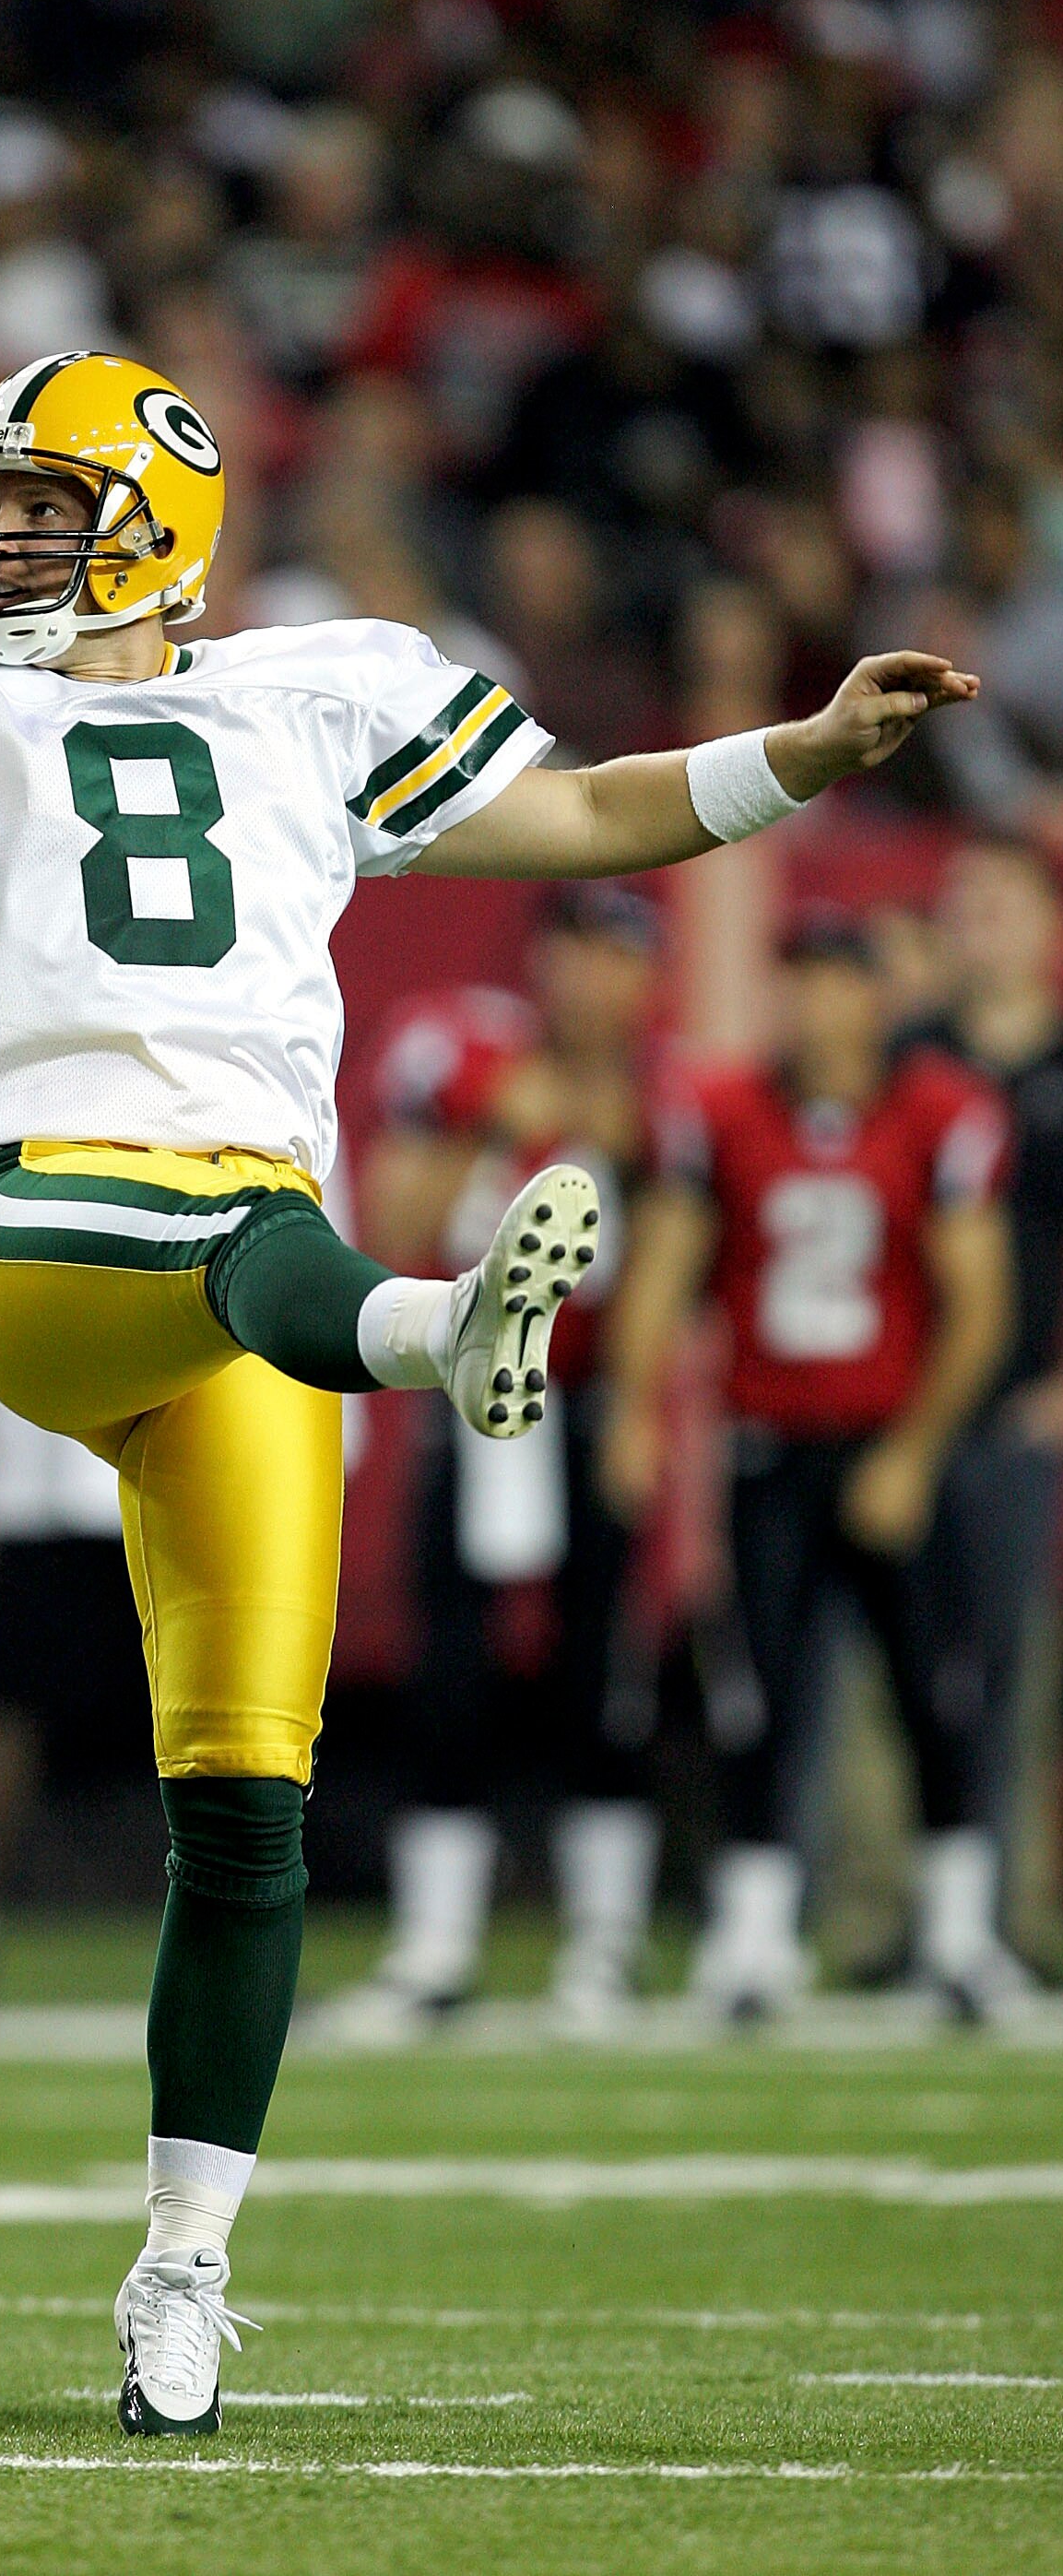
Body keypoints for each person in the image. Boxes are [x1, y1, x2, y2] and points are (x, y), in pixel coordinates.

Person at [0, 348, 975, 2435]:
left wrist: (805, 754)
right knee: (232, 1234)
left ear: (159, 534)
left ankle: (174, 2270)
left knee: (247, 1812)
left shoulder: (323, 688)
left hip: (255, 1299)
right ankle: (431, 1328)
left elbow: (585, 812)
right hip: (50, 1232)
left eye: (38, 506)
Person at [603, 914, 1016, 2018]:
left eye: (836, 981)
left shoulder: (941, 1110)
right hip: (768, 1450)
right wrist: (636, 1408)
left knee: (938, 1691)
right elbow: (667, 1264)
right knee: (758, 1697)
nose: (814, 1004)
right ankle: (753, 1941)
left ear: (878, 995)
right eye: (798, 980)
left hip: (892, 1444)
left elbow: (980, 1305)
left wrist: (913, 1453)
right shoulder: (722, 1111)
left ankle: (960, 1937)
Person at [317, 883, 667, 2038]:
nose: (598, 981)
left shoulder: (661, 1089)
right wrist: (496, 1125)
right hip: (475, 1392)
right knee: (450, 1672)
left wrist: (641, 1405)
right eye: (582, 950)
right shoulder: (465, 1053)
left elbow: (673, 1254)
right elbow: (391, 1229)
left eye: (621, 956)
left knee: (601, 1673)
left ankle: (606, 1943)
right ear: (544, 957)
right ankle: (436, 1944)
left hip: (593, 1400)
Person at [915, 838, 1063, 1957]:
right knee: (885, 1675)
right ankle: (882, 1922)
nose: (981, 923)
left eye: (1002, 903)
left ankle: (1013, 1918)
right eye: (963, 903)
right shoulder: (909, 1056)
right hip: (899, 1413)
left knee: (1015, 1670)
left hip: (1028, 1409)